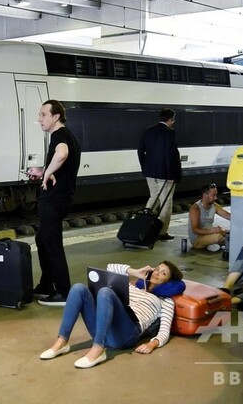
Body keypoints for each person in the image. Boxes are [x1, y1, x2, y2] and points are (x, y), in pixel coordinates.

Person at [38, 261, 184, 369]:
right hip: (104, 328)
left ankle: (98, 349)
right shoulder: (132, 286)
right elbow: (110, 267)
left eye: (163, 273)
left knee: (105, 292)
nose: (157, 272)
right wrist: (135, 272)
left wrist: (152, 344)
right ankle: (62, 342)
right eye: (157, 268)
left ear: (169, 281)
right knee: (78, 288)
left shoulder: (165, 301)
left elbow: (164, 330)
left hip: (127, 333)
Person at [27, 100, 81, 306]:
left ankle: (64, 292)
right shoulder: (69, 136)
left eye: (43, 114)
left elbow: (62, 154)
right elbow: (63, 164)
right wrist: (44, 172)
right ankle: (46, 284)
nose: (39, 119)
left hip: (54, 200)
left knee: (52, 244)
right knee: (42, 239)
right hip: (60, 198)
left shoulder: (59, 136)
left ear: (56, 116)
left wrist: (47, 173)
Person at [137, 108, 181, 240]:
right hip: (165, 174)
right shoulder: (169, 132)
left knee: (153, 197)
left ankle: (143, 226)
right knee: (166, 202)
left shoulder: (147, 131)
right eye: (173, 120)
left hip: (150, 172)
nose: (173, 122)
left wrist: (145, 168)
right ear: (170, 120)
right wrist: (171, 175)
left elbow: (140, 151)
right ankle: (162, 232)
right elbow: (170, 155)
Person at [188, 183, 229, 251]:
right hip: (197, 239)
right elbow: (195, 230)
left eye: (216, 195)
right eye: (213, 195)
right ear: (205, 195)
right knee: (219, 238)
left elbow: (228, 216)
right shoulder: (195, 208)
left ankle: (212, 245)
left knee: (228, 233)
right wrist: (210, 231)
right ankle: (224, 244)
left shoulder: (214, 205)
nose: (216, 198)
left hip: (209, 233)